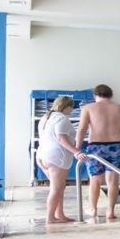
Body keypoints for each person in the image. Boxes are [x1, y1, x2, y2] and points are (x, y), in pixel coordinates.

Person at [75, 83, 120, 222]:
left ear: (95, 95)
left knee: (95, 180)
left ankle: (93, 209)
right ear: (111, 95)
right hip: (117, 147)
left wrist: (77, 148)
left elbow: (81, 129)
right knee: (113, 181)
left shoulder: (88, 108)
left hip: (95, 148)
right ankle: (110, 210)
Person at [36, 96, 82, 224]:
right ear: (67, 107)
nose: (72, 110)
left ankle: (59, 214)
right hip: (56, 158)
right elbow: (61, 138)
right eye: (71, 107)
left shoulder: (46, 117)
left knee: (60, 187)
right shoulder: (61, 119)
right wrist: (76, 151)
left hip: (43, 156)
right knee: (56, 189)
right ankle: (50, 217)